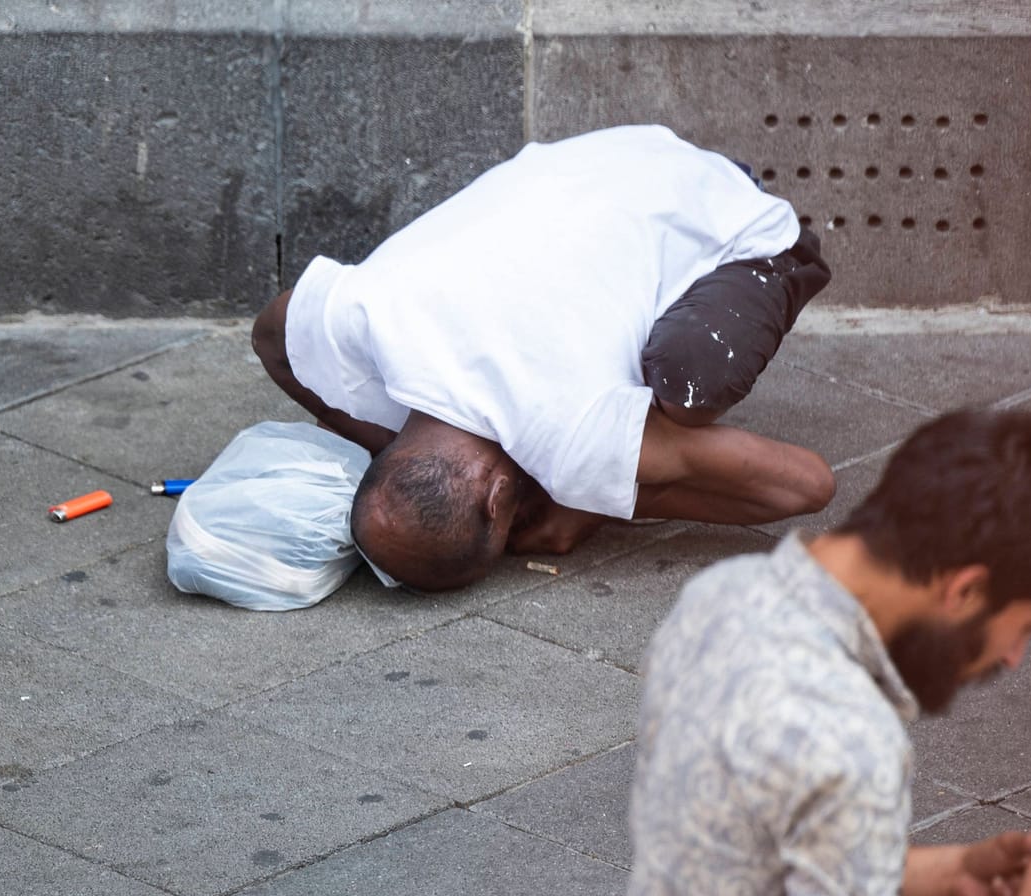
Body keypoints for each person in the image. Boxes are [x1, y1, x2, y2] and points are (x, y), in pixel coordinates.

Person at [573, 409, 1031, 896]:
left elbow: (743, 863)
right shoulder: (848, 740)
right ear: (967, 589)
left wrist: (947, 876)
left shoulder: (720, 598)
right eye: (1024, 627)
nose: (1013, 658)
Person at [252, 125, 835, 591]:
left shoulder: (569, 433)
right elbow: (273, 333)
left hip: (720, 205)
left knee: (689, 385)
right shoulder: (355, 318)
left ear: (498, 497)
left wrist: (591, 502)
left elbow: (807, 486)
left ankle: (780, 253)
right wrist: (598, 499)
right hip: (598, 158)